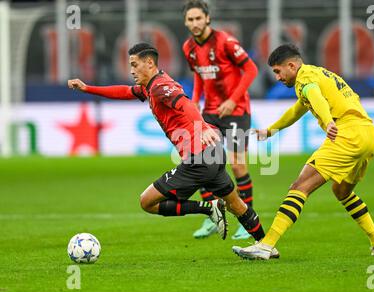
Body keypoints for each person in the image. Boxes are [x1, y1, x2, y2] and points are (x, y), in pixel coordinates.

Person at [68, 43, 277, 256]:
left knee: (147, 202)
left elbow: (185, 104)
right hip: (213, 153)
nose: (131, 70)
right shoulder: (151, 86)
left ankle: (207, 208)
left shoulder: (160, 87)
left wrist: (202, 126)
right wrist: (88, 88)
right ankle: (266, 244)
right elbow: (124, 91)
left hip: (200, 159)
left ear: (149, 63)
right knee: (235, 204)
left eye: (134, 64)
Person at [232, 44, 374, 260]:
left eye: (278, 71)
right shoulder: (317, 72)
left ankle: (266, 245)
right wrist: (271, 130)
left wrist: (327, 123)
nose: (278, 78)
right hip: (367, 135)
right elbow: (297, 109)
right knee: (341, 192)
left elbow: (313, 94)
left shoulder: (304, 79)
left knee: (300, 186)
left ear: (291, 65)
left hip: (345, 134)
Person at [182, 0, 258, 240]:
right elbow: (198, 76)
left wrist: (233, 100)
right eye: (190, 19)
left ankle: (247, 221)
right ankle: (212, 217)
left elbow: (252, 70)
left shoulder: (226, 41)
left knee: (237, 165)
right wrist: (195, 100)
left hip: (236, 110)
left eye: (198, 18)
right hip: (210, 112)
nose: (194, 23)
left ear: (207, 19)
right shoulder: (189, 48)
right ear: (186, 22)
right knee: (205, 164)